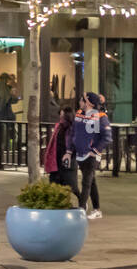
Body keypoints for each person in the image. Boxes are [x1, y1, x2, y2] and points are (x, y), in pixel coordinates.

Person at [70, 91, 111, 219]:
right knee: (91, 182)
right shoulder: (79, 114)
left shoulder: (101, 116)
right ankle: (97, 209)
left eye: (82, 99)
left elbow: (107, 137)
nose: (80, 101)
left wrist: (95, 151)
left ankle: (81, 209)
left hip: (91, 156)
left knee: (86, 182)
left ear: (88, 102)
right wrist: (70, 150)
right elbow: (74, 133)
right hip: (81, 154)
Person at [44, 105, 80, 197]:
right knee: (54, 183)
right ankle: (58, 204)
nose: (60, 114)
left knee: (71, 186)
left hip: (68, 161)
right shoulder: (59, 126)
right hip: (56, 159)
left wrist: (69, 155)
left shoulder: (73, 128)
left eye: (62, 113)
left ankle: (82, 202)